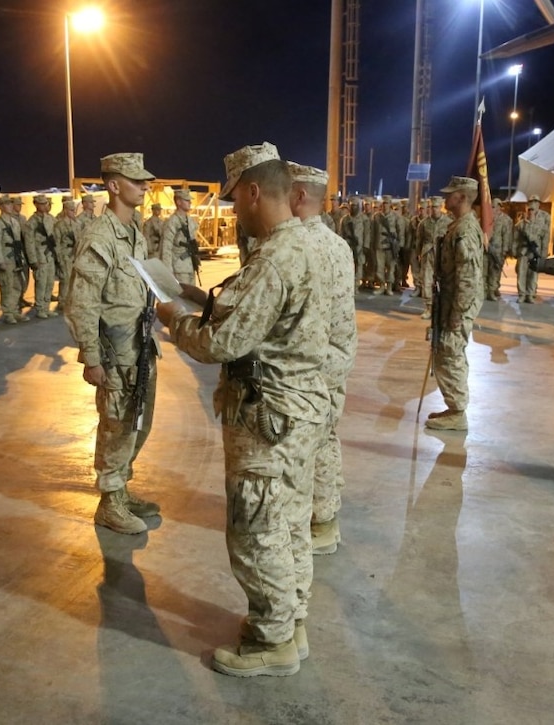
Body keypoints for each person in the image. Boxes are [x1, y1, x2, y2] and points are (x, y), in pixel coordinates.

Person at [156, 142, 333, 678]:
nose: (234, 210)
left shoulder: (275, 258)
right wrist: (200, 297)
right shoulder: (306, 244)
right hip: (301, 410)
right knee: (290, 522)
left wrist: (174, 318)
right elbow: (260, 315)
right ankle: (291, 622)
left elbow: (222, 343)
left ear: (255, 192)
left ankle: (270, 642)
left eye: (236, 199)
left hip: (268, 420)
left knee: (256, 530)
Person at [64, 152, 161, 536]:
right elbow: (82, 302)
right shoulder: (99, 236)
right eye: (136, 181)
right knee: (117, 425)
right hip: (115, 352)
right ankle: (109, 502)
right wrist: (92, 357)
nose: (144, 187)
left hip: (140, 346)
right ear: (114, 185)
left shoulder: (133, 231)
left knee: (139, 423)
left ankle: (121, 488)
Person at [287, 162, 358, 557]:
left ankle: (318, 522)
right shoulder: (336, 243)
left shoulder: (300, 245)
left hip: (312, 364)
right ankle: (326, 516)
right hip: (336, 357)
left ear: (299, 196)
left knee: (309, 445)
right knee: (326, 437)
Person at [425, 176, 485, 431]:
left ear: (461, 197)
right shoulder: (458, 226)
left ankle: (458, 412)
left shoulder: (465, 231)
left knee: (450, 354)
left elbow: (468, 277)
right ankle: (454, 408)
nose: (445, 197)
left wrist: (457, 313)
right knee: (448, 352)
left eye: (450, 194)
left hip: (458, 304)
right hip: (451, 301)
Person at [0, 195, 32, 324]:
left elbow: (18, 242)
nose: (10, 206)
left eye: (10, 203)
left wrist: (21, 258)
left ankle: (14, 310)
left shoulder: (14, 222)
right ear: (1, 207)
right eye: (7, 204)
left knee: (17, 285)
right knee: (7, 287)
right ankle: (8, 313)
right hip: (6, 259)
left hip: (16, 258)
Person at [417, 195, 451, 318]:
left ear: (441, 207)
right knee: (426, 281)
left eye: (436, 207)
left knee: (443, 282)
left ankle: (442, 309)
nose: (434, 209)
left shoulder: (448, 222)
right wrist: (419, 254)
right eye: (432, 207)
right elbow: (419, 240)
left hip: (442, 256)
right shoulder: (424, 223)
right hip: (428, 254)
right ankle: (428, 307)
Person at [158, 188, 201, 286]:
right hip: (178, 268)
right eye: (186, 200)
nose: (190, 202)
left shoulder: (190, 220)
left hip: (191, 266)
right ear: (178, 202)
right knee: (182, 295)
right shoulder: (172, 222)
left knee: (192, 294)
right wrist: (168, 271)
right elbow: (166, 247)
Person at [27, 194, 60, 319]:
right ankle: (40, 308)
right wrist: (33, 260)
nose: (44, 206)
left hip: (50, 254)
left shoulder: (50, 219)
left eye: (45, 203)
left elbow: (57, 234)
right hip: (40, 255)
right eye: (41, 204)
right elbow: (29, 242)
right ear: (35, 204)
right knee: (41, 283)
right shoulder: (32, 222)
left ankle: (46, 307)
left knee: (50, 282)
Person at [514, 194, 549, 303]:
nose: (531, 210)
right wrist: (514, 251)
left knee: (533, 274)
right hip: (523, 252)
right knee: (521, 273)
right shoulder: (521, 223)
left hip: (535, 252)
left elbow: (545, 238)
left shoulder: (543, 220)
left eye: (535, 204)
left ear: (538, 205)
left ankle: (530, 294)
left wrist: (544, 253)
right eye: (530, 208)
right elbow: (515, 238)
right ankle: (522, 294)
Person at [370, 195, 401, 295]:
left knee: (391, 267)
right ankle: (382, 286)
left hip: (391, 247)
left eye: (387, 203)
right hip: (379, 246)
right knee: (380, 267)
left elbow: (400, 231)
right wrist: (372, 244)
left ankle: (389, 287)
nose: (385, 205)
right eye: (383, 203)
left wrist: (399, 245)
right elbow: (372, 232)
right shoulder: (376, 217)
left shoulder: (395, 216)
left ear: (390, 204)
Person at [53, 199, 80, 312]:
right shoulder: (59, 225)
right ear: (65, 210)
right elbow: (56, 243)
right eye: (71, 210)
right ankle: (62, 301)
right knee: (65, 279)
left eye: (74, 210)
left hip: (74, 254)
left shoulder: (76, 224)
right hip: (65, 255)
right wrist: (59, 258)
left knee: (74, 279)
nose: (73, 212)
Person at [485, 197, 513, 301]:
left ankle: (492, 290)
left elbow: (507, 236)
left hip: (498, 250)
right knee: (485, 270)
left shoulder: (505, 220)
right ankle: (487, 290)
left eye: (494, 207)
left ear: (499, 207)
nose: (492, 209)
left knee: (495, 271)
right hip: (486, 248)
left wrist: (505, 250)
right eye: (491, 207)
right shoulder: (486, 218)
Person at [339, 197, 368, 289]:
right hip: (348, 246)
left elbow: (367, 233)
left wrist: (365, 246)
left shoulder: (364, 219)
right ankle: (349, 284)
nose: (353, 207)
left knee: (359, 265)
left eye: (355, 206)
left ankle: (356, 285)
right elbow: (341, 234)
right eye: (352, 206)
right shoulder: (345, 219)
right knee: (348, 265)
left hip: (359, 246)